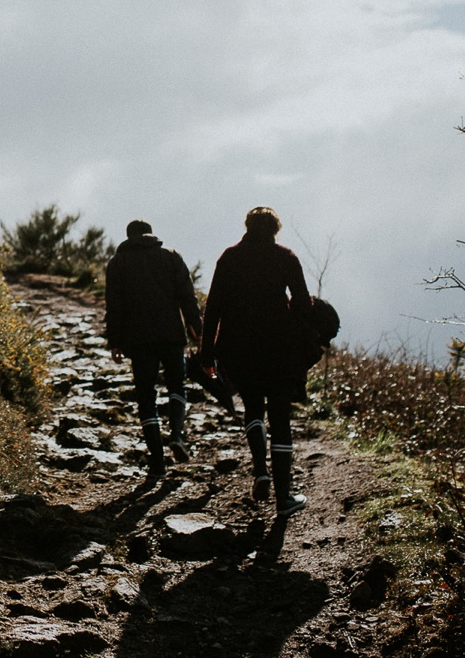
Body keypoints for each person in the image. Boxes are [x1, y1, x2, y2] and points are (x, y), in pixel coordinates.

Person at [199, 206, 312, 515]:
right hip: (279, 348)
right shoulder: (286, 257)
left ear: (247, 227)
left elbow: (214, 308)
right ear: (275, 229)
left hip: (238, 348)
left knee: (252, 408)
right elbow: (303, 304)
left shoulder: (229, 257)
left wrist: (206, 353)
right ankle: (284, 498)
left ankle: (261, 470)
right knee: (280, 416)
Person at [105, 220, 203, 479]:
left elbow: (114, 306)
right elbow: (187, 296)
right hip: (171, 335)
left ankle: (157, 463)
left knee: (146, 397)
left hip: (138, 341)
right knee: (176, 386)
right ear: (151, 233)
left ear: (128, 237)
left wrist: (114, 341)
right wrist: (197, 328)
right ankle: (177, 436)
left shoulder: (117, 264)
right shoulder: (170, 256)